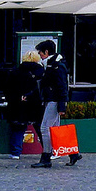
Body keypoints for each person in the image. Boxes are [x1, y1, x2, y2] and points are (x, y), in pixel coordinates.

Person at [32, 38, 79, 168]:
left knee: (45, 128)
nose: (40, 56)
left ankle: (46, 156)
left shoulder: (56, 66)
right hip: (52, 100)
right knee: (53, 130)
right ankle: (73, 154)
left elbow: (62, 86)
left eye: (41, 53)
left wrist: (62, 105)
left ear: (46, 52)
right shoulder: (54, 64)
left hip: (53, 100)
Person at [6, 51, 44, 160]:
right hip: (36, 104)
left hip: (18, 105)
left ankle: (15, 153)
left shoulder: (16, 72)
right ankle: (48, 151)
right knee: (41, 128)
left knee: (18, 128)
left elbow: (8, 89)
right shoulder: (41, 72)